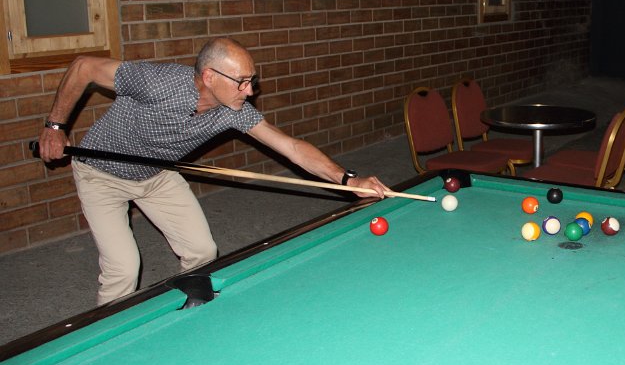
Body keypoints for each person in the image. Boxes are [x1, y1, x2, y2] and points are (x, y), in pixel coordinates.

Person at [38, 37, 388, 305]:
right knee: (123, 268)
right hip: (101, 174)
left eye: (252, 81)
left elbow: (292, 147)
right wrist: (55, 126)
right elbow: (84, 66)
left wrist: (348, 179)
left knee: (203, 251)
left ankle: (188, 306)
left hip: (156, 173)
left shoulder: (234, 110)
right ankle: (107, 341)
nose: (250, 91)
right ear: (209, 76)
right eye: (242, 81)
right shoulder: (158, 82)